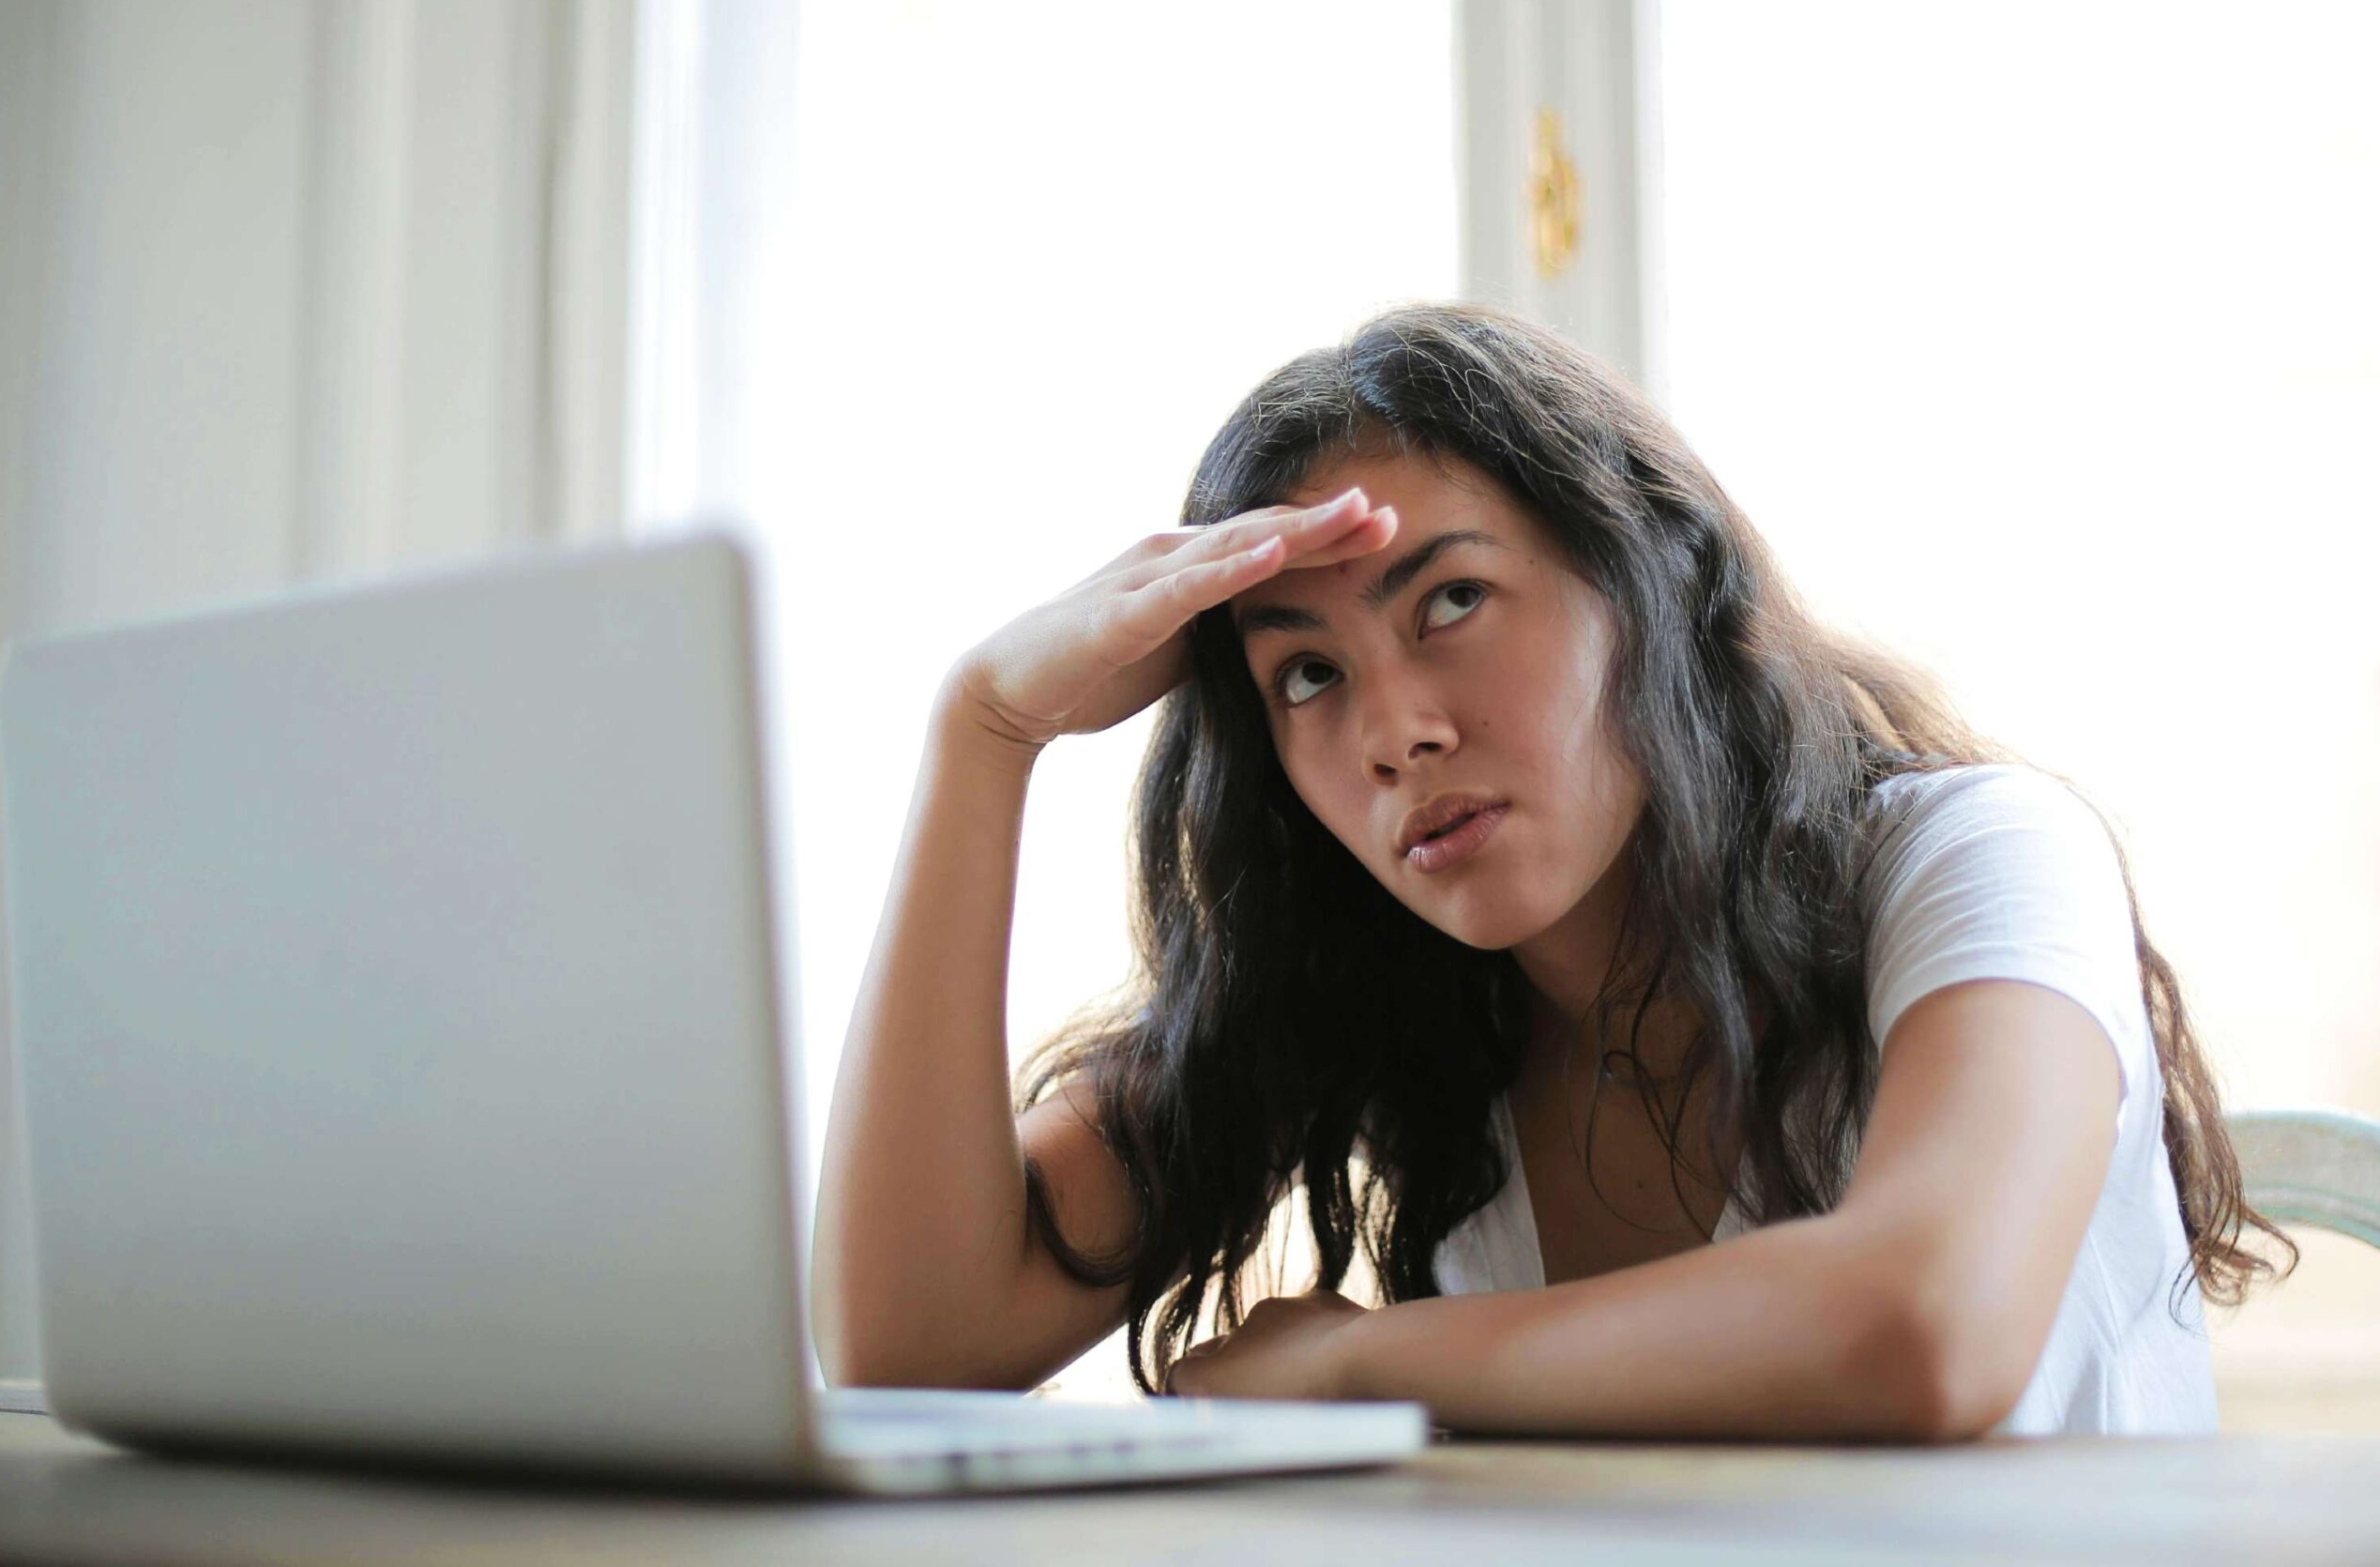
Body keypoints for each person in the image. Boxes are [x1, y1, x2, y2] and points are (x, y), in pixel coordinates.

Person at [808, 302, 2293, 1440]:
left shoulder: (1976, 858)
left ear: (1646, 582)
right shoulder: (1384, 986)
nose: (1397, 729)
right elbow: (910, 1344)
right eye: (1308, 675)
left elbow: (1929, 1324)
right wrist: (983, 732)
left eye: (1451, 597)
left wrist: (1350, 1361)